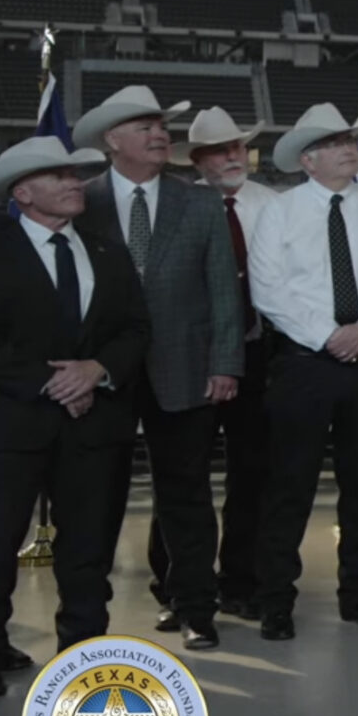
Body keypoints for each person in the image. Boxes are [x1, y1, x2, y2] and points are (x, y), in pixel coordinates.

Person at [0, 137, 149, 701]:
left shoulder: (106, 251)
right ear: (22, 192)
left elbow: (134, 329)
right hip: (5, 426)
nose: (73, 183)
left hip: (90, 428)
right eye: (57, 177)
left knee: (87, 554)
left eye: (76, 175)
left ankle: (82, 659)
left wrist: (97, 369)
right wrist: (53, 381)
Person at [74, 85, 245, 651]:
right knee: (98, 498)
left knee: (187, 496)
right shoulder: (82, 201)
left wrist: (226, 362)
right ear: (112, 141)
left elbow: (224, 291)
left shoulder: (198, 202)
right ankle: (85, 620)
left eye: (160, 126)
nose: (158, 134)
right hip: (102, 374)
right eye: (144, 126)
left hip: (188, 368)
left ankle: (195, 606)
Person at [247, 102, 358, 640]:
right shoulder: (281, 211)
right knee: (289, 485)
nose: (350, 150)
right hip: (304, 365)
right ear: (307, 159)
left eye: (351, 140)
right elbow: (268, 290)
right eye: (336, 143)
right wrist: (327, 334)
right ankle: (275, 600)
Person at [177, 106, 279, 615]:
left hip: (257, 352)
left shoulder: (274, 205)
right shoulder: (180, 206)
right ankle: (179, 585)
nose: (235, 155)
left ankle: (242, 580)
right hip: (192, 356)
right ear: (198, 160)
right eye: (221, 149)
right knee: (185, 475)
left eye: (238, 146)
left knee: (252, 472)